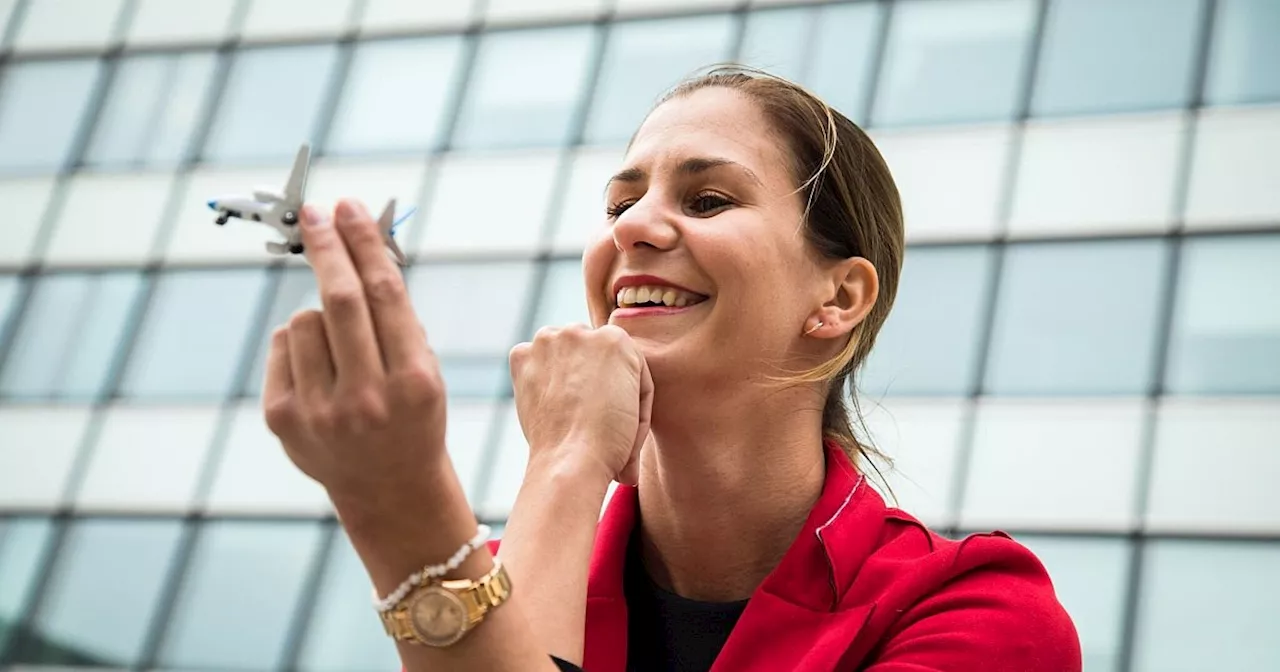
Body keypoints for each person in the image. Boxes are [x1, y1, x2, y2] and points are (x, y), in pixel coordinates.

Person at [261, 66, 1082, 671]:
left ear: (837, 297)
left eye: (708, 200)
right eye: (619, 205)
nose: (632, 229)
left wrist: (412, 512)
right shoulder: (514, 565)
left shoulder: (975, 613)